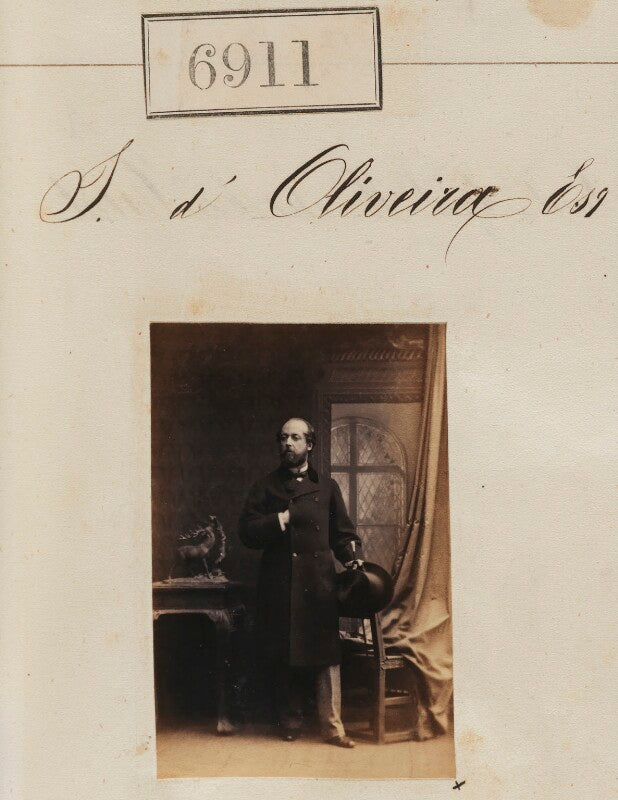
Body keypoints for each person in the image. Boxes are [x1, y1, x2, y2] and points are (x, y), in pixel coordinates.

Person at [238, 417, 364, 747]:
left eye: (295, 438)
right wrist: (278, 520)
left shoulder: (327, 487)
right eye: (283, 438)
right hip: (280, 584)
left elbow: (343, 534)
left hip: (319, 584)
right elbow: (246, 532)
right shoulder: (266, 486)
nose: (288, 444)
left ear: (309, 444)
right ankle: (290, 721)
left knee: (327, 656)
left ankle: (333, 728)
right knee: (286, 651)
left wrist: (351, 556)